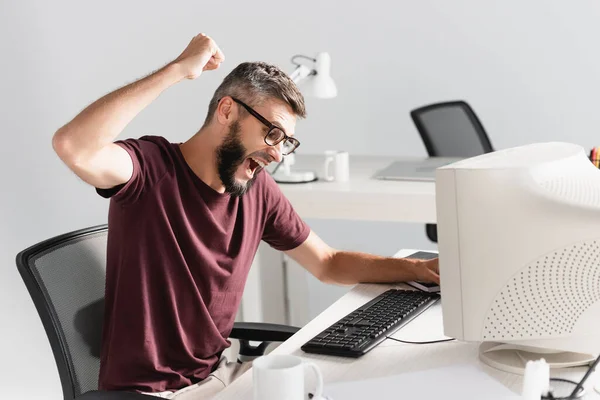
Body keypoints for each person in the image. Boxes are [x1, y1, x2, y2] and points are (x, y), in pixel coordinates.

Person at [52, 33, 440, 399]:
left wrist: (418, 271)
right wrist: (178, 70)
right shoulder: (149, 169)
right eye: (271, 134)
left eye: (285, 142)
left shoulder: (256, 189)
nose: (277, 154)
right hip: (152, 393)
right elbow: (73, 146)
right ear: (226, 111)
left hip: (223, 375)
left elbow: (328, 263)